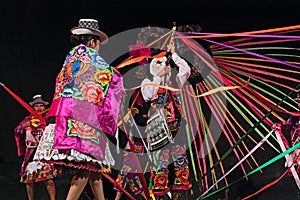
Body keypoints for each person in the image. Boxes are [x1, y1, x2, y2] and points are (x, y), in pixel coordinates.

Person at [33, 18, 124, 200]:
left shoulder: (71, 57)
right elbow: (110, 76)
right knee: (85, 169)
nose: (98, 48)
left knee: (94, 169)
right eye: (98, 44)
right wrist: (119, 82)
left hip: (66, 114)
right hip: (83, 118)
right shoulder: (88, 55)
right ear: (92, 41)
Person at [138, 41, 192, 199]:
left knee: (181, 162)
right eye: (161, 63)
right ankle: (160, 196)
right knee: (160, 163)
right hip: (159, 130)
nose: (166, 66)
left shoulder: (174, 82)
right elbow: (149, 96)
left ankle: (177, 196)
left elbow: (186, 70)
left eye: (167, 64)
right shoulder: (148, 83)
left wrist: (174, 55)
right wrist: (157, 75)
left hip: (176, 128)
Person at [14, 94, 58, 200]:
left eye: (41, 106)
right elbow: (17, 131)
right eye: (36, 106)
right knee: (29, 181)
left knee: (49, 179)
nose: (39, 108)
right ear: (32, 108)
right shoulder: (27, 120)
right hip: (31, 154)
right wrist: (23, 126)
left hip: (43, 153)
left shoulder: (48, 120)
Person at [272, 92, 300, 174]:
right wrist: (278, 125)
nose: (299, 104)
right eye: (298, 102)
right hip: (297, 150)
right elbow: (286, 125)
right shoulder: (295, 117)